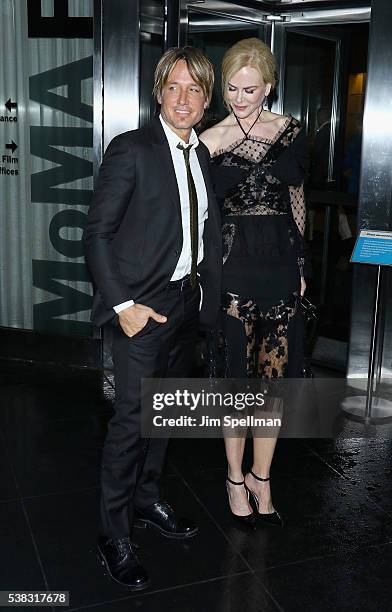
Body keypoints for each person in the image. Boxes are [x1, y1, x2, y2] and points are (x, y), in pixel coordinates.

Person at [84, 47, 220, 589]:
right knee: (129, 424)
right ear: (158, 93)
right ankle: (113, 532)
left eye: (195, 89)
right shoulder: (132, 149)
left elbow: (204, 232)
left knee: (163, 416)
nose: (183, 99)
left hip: (186, 305)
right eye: (174, 87)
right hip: (143, 307)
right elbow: (97, 236)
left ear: (206, 100)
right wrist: (124, 307)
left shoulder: (202, 156)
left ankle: (147, 501)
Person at [200, 38, 308, 528]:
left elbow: (297, 199)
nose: (239, 98)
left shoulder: (289, 131)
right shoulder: (210, 139)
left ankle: (262, 477)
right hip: (232, 264)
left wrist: (302, 265)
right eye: (232, 88)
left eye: (250, 89)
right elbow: (200, 213)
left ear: (268, 87)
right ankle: (233, 476)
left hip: (281, 263)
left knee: (273, 380)